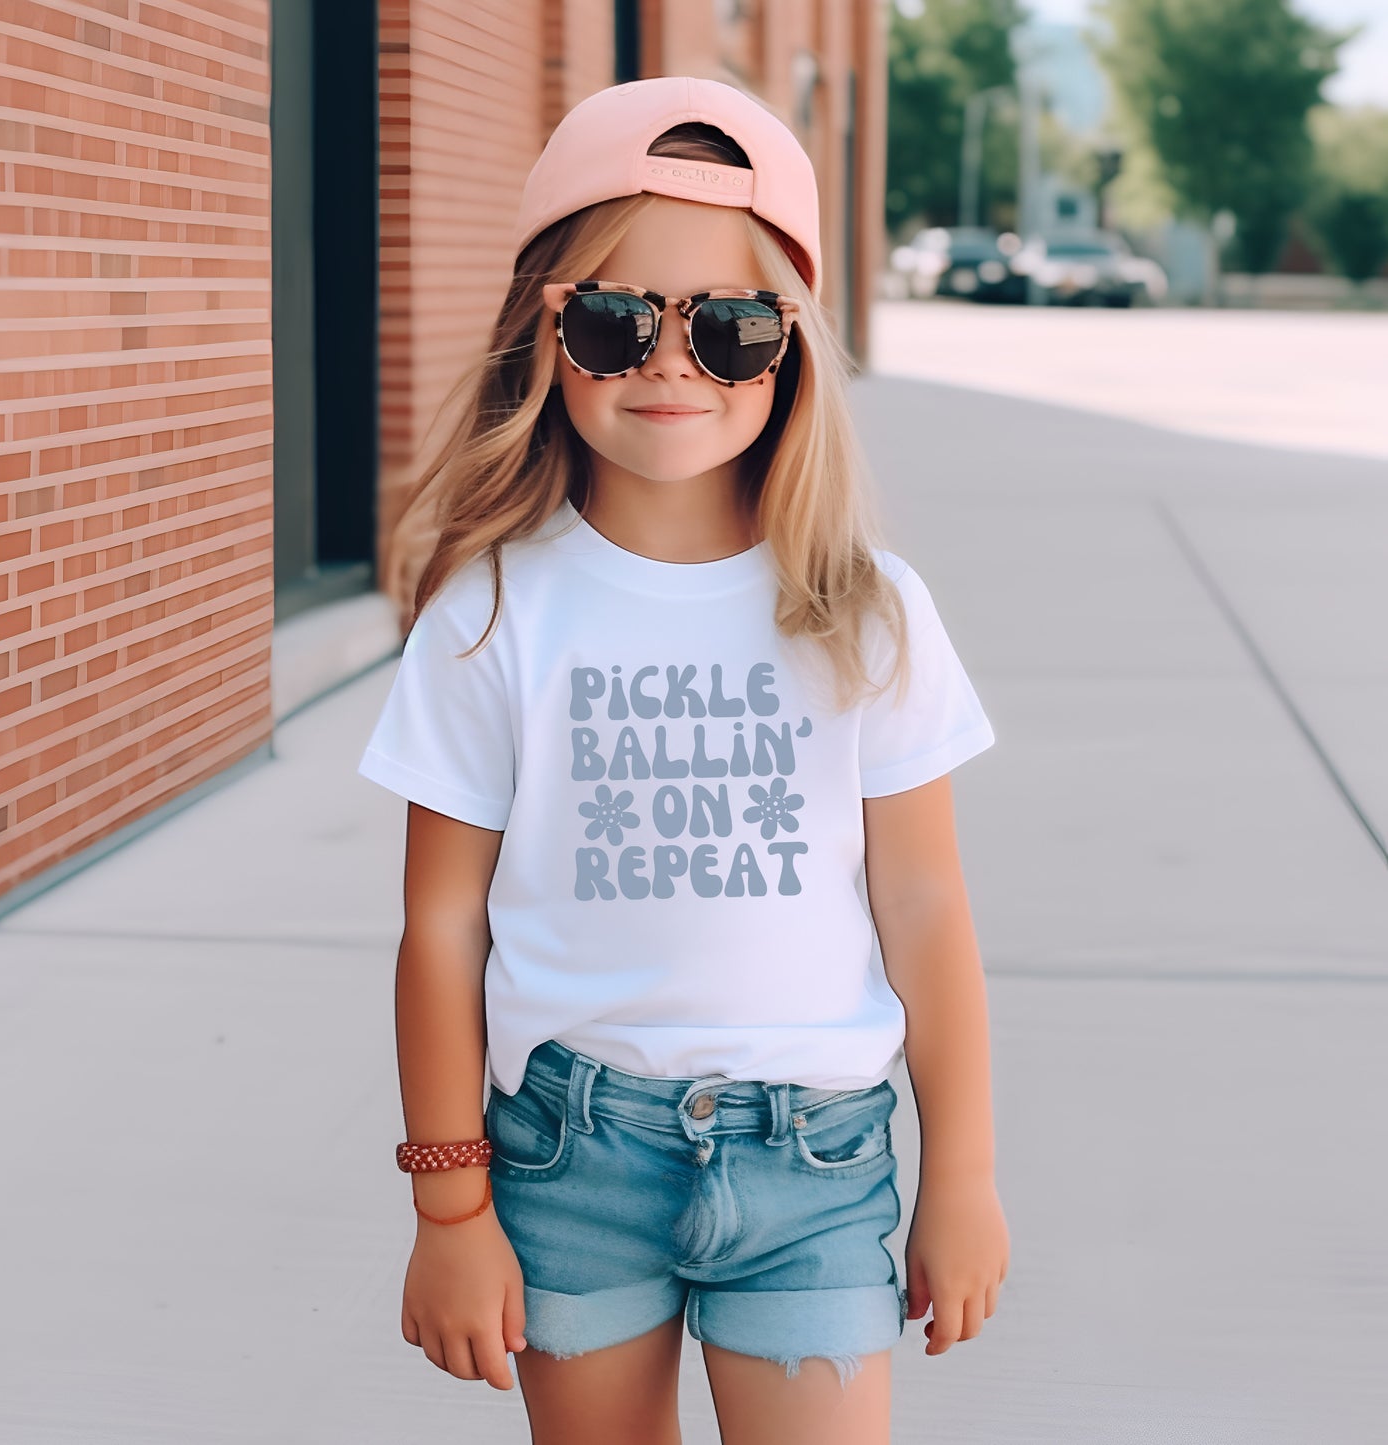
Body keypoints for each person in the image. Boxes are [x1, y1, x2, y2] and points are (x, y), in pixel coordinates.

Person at [357, 75, 1010, 1445]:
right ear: (545, 332)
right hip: (567, 1152)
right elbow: (439, 925)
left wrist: (960, 1173)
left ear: (793, 350)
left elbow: (924, 906)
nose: (672, 364)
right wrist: (448, 1205)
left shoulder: (864, 607)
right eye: (613, 319)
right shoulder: (491, 610)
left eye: (729, 325)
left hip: (816, 1160)